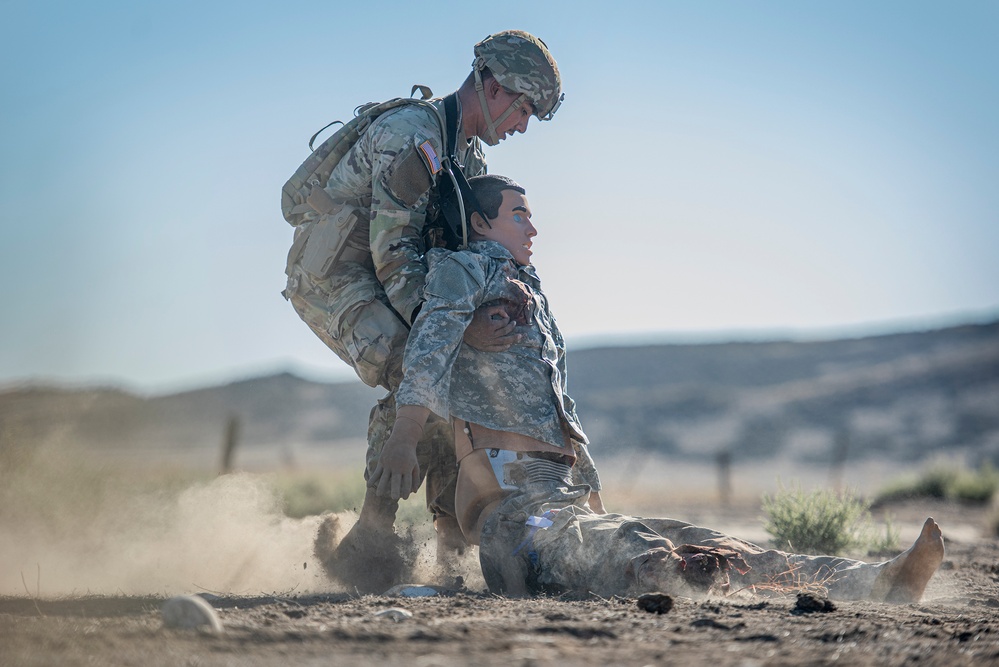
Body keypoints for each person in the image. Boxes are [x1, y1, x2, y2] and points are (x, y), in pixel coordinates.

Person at [372, 174, 946, 601]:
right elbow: (430, 348)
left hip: (562, 502)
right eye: (519, 214)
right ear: (480, 223)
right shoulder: (464, 269)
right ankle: (692, 579)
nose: (534, 226)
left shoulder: (531, 295)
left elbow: (559, 407)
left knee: (709, 540)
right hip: (517, 520)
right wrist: (404, 437)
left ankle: (873, 582)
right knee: (643, 550)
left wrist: (590, 487)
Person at [285, 31, 564, 586]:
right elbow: (394, 255)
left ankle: (450, 549)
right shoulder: (412, 136)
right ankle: (370, 542)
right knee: (416, 366)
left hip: (392, 279)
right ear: (491, 85)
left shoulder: (466, 152)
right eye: (524, 107)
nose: (524, 125)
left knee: (452, 370)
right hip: (336, 276)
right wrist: (452, 330)